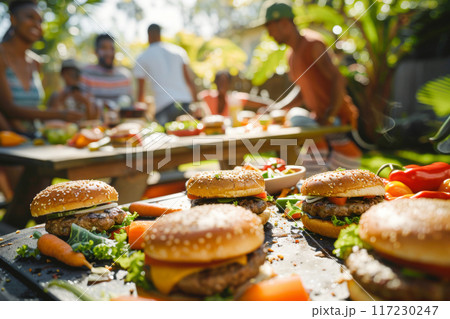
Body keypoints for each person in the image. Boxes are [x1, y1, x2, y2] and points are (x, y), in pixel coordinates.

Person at [264, 2, 362, 171]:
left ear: (285, 24)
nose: (269, 34)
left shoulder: (312, 45)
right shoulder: (291, 55)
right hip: (319, 121)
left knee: (296, 119)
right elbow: (302, 90)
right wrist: (275, 108)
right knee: (294, 117)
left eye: (270, 28)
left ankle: (331, 154)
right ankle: (317, 160)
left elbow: (338, 80)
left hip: (336, 119)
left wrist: (329, 116)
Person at [0, 0, 82, 137]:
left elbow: (36, 109)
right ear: (13, 19)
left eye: (40, 21)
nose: (36, 25)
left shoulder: (36, 62)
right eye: (29, 17)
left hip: (34, 138)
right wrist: (60, 115)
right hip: (8, 142)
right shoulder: (1, 56)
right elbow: (8, 109)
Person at [134, 24, 198, 125]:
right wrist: (196, 104)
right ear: (160, 34)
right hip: (185, 104)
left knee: (167, 138)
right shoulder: (178, 51)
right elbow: (189, 80)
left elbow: (141, 91)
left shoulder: (142, 57)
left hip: (164, 108)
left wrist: (140, 115)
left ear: (148, 36)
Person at [81, 34, 133, 109]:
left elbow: (130, 103)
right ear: (96, 51)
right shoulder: (86, 74)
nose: (109, 53)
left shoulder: (125, 76)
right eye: (104, 48)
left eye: (111, 48)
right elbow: (82, 104)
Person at [199, 70, 272, 117]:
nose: (222, 85)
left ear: (229, 84)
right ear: (215, 83)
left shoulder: (235, 99)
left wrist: (267, 110)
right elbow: (197, 105)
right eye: (220, 81)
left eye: (225, 82)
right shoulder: (206, 96)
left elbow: (264, 103)